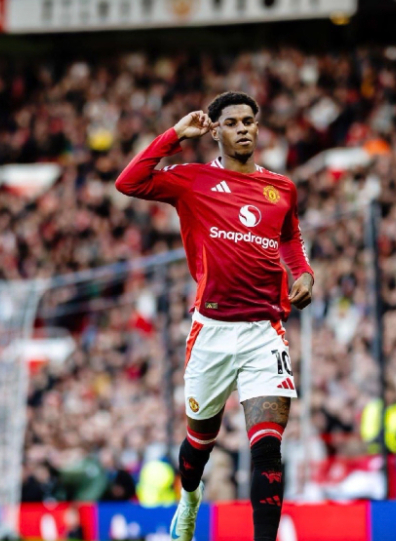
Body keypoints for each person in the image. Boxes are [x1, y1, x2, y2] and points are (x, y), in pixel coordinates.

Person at [115, 91, 314, 541]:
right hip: (212, 330)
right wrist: (174, 135)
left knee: (267, 447)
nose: (243, 129)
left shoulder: (281, 187)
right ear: (216, 131)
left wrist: (303, 273)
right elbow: (129, 182)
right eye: (232, 122)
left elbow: (290, 238)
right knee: (199, 444)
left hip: (265, 330)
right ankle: (189, 499)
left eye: (249, 121)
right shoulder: (193, 179)